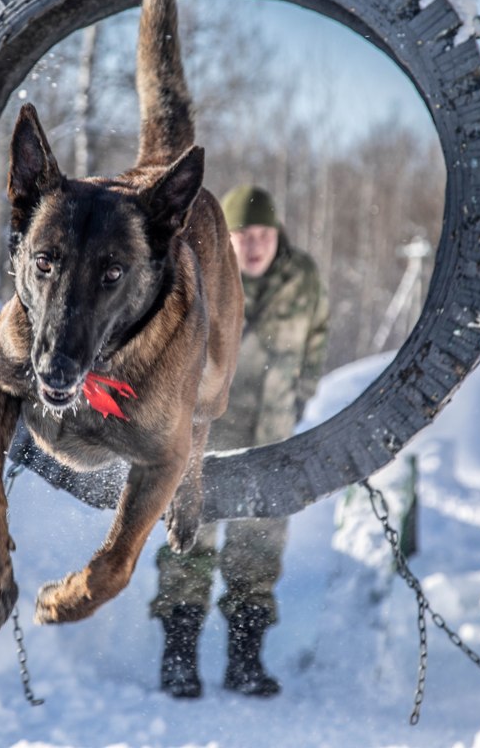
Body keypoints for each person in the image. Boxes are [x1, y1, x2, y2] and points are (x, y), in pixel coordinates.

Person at [150, 183, 330, 699]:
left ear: (278, 237)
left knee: (260, 549)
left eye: (264, 234)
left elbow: (317, 340)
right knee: (189, 544)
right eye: (242, 234)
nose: (254, 245)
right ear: (224, 238)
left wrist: (299, 396)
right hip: (208, 432)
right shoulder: (200, 273)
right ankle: (179, 658)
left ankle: (245, 661)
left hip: (271, 434)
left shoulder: (304, 279)